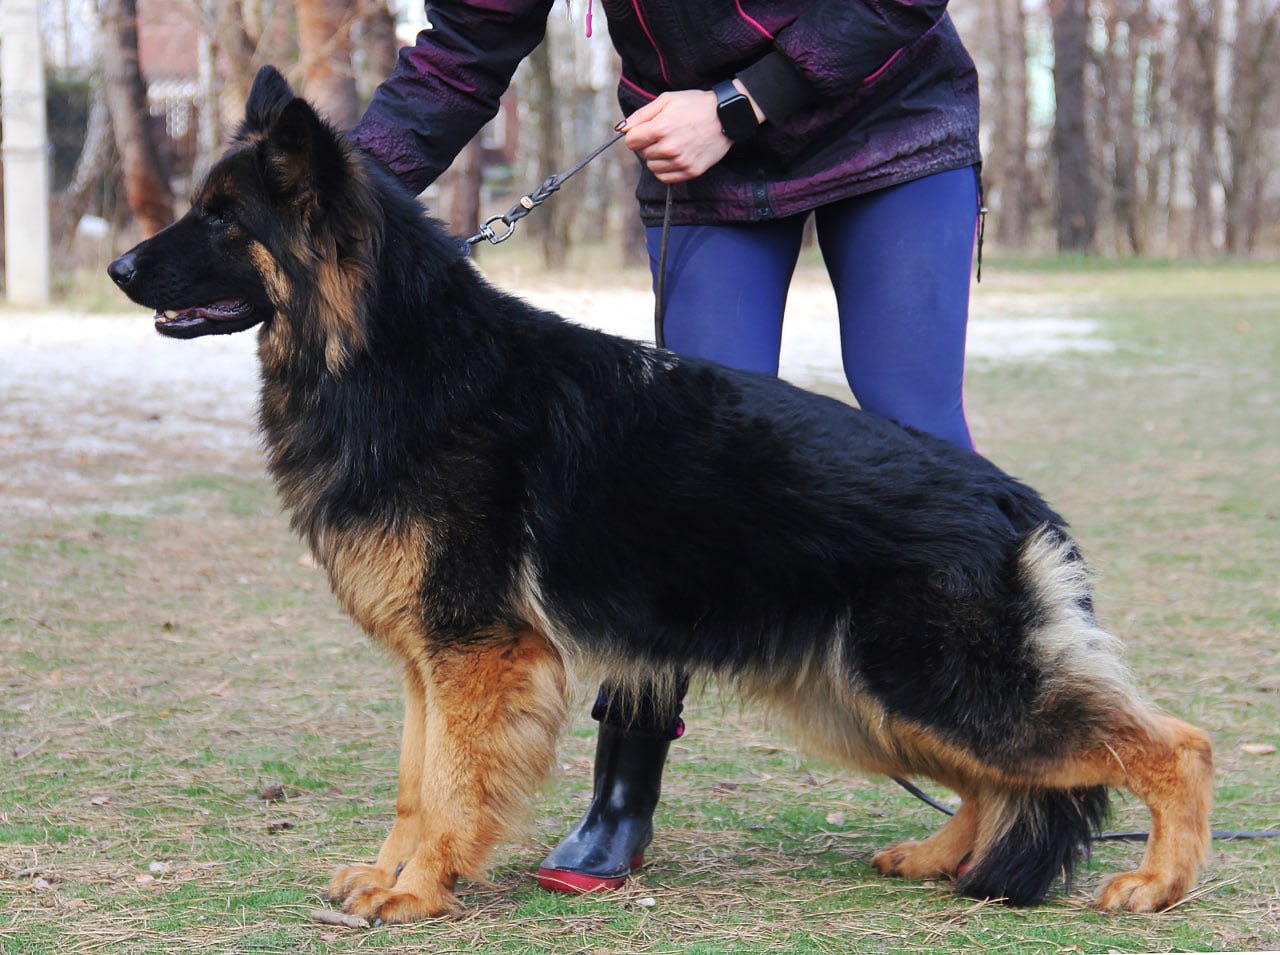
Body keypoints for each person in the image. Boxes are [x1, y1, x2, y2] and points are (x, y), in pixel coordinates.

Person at [350, 0, 983, 895]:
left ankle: (998, 764)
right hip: (704, 163)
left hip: (887, 120)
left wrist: (740, 102)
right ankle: (622, 795)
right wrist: (326, 193)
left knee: (919, 430)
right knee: (678, 469)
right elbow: (463, 47)